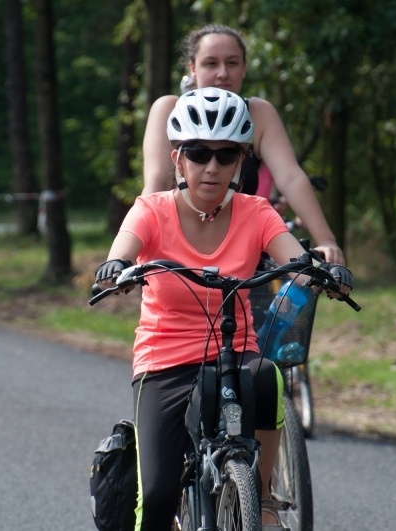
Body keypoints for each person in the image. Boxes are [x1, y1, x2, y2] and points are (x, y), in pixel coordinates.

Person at [96, 88, 353, 530]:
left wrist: (321, 274)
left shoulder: (257, 212)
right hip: (164, 362)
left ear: (240, 163)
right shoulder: (151, 211)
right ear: (178, 158)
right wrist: (117, 266)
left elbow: (293, 257)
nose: (211, 166)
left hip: (235, 354)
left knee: (269, 375)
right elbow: (124, 247)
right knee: (156, 498)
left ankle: (265, 497)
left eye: (225, 155)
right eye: (198, 153)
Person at [142, 23, 346, 265]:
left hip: (244, 258)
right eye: (211, 63)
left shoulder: (258, 113)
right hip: (177, 252)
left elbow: (291, 177)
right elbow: (156, 181)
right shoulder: (168, 108)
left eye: (232, 63)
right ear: (192, 68)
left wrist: (326, 240)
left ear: (244, 68)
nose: (222, 73)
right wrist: (140, 241)